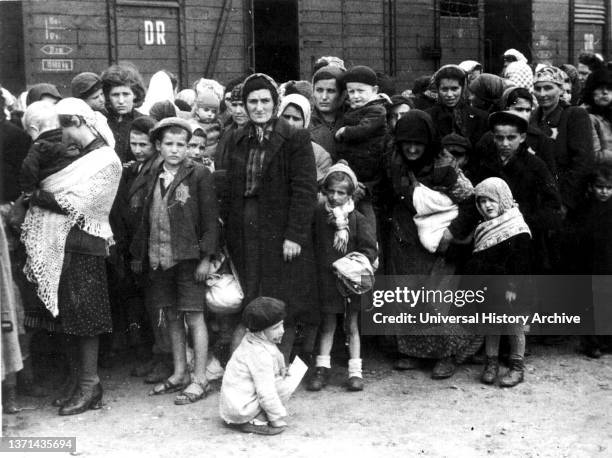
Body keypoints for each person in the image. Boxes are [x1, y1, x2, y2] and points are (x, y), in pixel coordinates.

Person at [20, 97, 122, 415]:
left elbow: (81, 205)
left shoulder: (107, 160)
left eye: (61, 127)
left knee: (85, 318)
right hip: (63, 244)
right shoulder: (83, 156)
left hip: (86, 244)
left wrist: (37, 195)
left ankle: (90, 386)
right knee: (68, 317)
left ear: (74, 123)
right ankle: (79, 382)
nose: (59, 136)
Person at [221, 73, 318, 363]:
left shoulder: (295, 137)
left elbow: (304, 189)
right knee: (251, 293)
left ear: (276, 103)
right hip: (245, 227)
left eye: (265, 100)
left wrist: (294, 236)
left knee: (279, 294)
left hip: (279, 228)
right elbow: (231, 188)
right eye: (252, 101)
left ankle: (278, 363)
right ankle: (248, 365)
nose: (259, 107)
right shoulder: (237, 138)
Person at [383, 110, 481, 377]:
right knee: (406, 293)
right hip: (405, 234)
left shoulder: (444, 166)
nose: (412, 148)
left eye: (419, 143)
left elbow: (470, 202)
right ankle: (413, 352)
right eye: (407, 143)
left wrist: (451, 233)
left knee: (437, 296)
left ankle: (446, 354)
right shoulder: (394, 159)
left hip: (439, 237)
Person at [130, 117, 219, 405]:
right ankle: (180, 371)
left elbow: (210, 219)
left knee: (194, 315)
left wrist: (206, 257)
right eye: (169, 144)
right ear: (158, 146)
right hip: (160, 257)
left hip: (189, 258)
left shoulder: (199, 174)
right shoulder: (152, 172)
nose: (176, 150)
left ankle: (200, 377)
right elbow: (145, 217)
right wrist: (140, 254)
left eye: (182, 144)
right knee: (170, 315)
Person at [307, 161, 377, 392]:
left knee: (351, 325)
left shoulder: (356, 218)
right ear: (325, 191)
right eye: (332, 191)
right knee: (327, 324)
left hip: (349, 282)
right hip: (325, 279)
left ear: (350, 194)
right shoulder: (318, 213)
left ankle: (355, 371)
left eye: (341, 193)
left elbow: (369, 249)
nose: (336, 197)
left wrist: (352, 264)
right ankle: (322, 368)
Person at [465, 177, 532, 387]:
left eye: (492, 200)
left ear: (503, 199)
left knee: (514, 326)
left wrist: (513, 287)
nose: (487, 205)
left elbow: (521, 263)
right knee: (491, 324)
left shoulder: (516, 226)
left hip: (512, 288)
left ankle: (516, 367)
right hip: (490, 286)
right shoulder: (484, 228)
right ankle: (491, 364)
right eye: (482, 201)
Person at [220, 297, 292, 436]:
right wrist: (276, 418)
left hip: (234, 404)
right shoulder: (259, 354)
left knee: (280, 378)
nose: (282, 330)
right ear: (260, 331)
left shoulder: (253, 339)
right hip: (241, 409)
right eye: (276, 328)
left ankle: (253, 416)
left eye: (282, 325)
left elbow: (275, 353)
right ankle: (256, 421)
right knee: (284, 385)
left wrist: (281, 367)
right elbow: (266, 391)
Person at [530, 66, 595, 219]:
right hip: (536, 201)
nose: (542, 94)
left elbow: (583, 162)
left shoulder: (574, 115)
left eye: (548, 88)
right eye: (538, 88)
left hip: (564, 203)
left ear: (560, 90)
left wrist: (565, 202)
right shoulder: (532, 118)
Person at [576, 166, 612, 358]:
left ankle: (607, 341)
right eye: (600, 187)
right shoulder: (585, 208)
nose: (604, 191)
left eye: (609, 187)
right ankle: (591, 343)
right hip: (589, 263)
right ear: (592, 187)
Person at [19, 101, 78, 198]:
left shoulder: (38, 147)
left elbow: (28, 169)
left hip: (48, 192)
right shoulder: (69, 139)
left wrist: (28, 190)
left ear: (34, 129)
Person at [426, 65, 489, 148]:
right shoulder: (428, 117)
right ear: (438, 90)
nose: (449, 94)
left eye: (454, 89)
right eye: (444, 89)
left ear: (462, 88)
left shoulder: (481, 117)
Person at [278, 92, 332, 184]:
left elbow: (323, 188)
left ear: (305, 122)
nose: (290, 123)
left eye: (296, 119)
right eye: (286, 117)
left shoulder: (320, 156)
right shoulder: (266, 144)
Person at [100, 63, 146, 163]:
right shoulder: (100, 121)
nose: (121, 101)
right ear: (108, 96)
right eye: (115, 95)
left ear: (135, 94)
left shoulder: (144, 122)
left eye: (126, 94)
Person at [310, 65, 345, 157]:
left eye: (331, 91)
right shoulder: (305, 123)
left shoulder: (355, 122)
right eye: (319, 90)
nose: (324, 97)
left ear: (342, 94)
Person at [582, 69, 612, 164]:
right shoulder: (587, 117)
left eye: (609, 88)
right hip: (600, 175)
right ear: (591, 92)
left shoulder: (608, 113)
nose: (605, 92)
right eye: (599, 88)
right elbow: (593, 155)